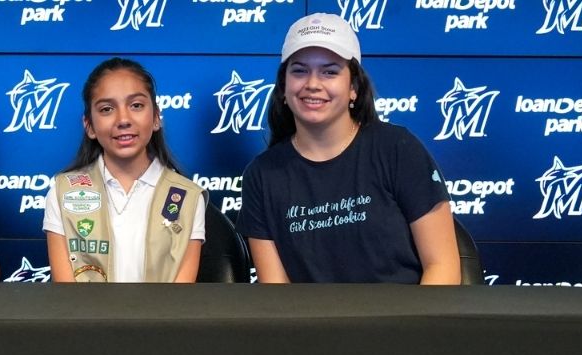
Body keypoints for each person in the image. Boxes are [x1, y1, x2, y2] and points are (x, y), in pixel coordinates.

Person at [239, 13, 460, 284]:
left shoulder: (398, 149)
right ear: (284, 86)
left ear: (353, 87)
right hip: (311, 325)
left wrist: (410, 327)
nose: (313, 84)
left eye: (329, 71)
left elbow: (443, 266)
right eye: (299, 70)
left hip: (404, 323)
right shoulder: (261, 175)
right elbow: (276, 293)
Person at [42, 58, 206, 283]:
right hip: (85, 318)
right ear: (89, 126)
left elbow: (179, 299)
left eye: (136, 105)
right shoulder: (62, 192)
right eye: (107, 109)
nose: (123, 120)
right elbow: (67, 294)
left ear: (156, 117)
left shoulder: (187, 196)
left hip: (161, 318)